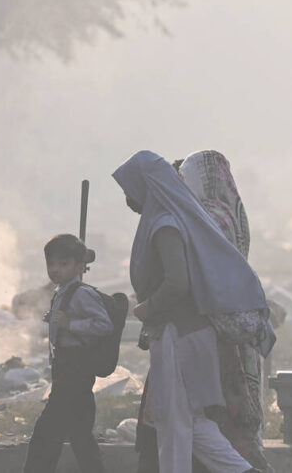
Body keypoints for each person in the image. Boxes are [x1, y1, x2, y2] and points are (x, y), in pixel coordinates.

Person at [113, 151, 272, 473]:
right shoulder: (174, 218)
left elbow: (177, 282)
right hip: (189, 334)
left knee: (175, 422)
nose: (128, 199)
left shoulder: (164, 225)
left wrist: (148, 307)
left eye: (129, 189)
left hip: (178, 335)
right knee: (193, 421)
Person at [179, 149, 272, 472]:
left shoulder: (205, 216)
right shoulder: (232, 211)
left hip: (218, 325)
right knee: (242, 404)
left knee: (222, 411)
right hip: (241, 318)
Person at [23, 234, 112, 473]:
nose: (55, 270)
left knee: (46, 432)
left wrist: (70, 324)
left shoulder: (82, 293)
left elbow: (104, 325)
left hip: (76, 370)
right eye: (51, 264)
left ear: (79, 266)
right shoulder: (62, 291)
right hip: (65, 369)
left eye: (63, 264)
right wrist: (55, 321)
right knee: (80, 435)